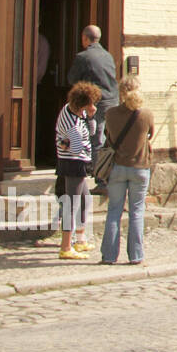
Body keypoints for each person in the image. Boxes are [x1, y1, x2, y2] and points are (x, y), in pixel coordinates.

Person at [100, 76, 156, 265]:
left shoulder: (110, 113)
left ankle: (109, 256)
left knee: (114, 211)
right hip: (140, 168)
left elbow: (108, 137)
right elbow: (150, 134)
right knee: (137, 211)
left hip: (117, 167)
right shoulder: (146, 114)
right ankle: (136, 255)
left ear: (121, 93)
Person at [56, 81, 101, 260]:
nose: (93, 106)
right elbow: (75, 148)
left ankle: (80, 240)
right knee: (71, 204)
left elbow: (91, 132)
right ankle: (66, 246)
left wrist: (90, 117)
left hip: (79, 161)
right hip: (73, 163)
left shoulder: (76, 111)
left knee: (84, 200)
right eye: (91, 103)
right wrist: (67, 143)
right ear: (83, 102)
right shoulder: (71, 122)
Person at [67, 25, 118, 161]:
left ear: (85, 38)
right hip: (113, 101)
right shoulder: (108, 56)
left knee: (96, 139)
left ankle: (98, 174)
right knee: (108, 139)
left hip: (96, 104)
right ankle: (107, 170)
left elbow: (72, 79)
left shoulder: (83, 57)